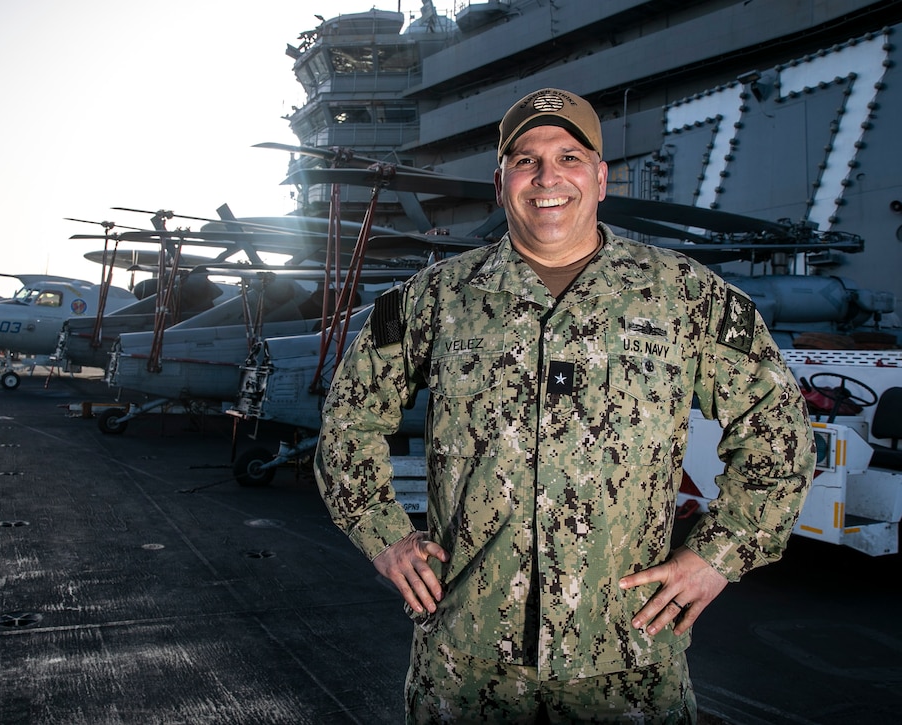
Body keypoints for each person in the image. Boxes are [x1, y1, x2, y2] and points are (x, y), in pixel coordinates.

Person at [314, 88, 814, 723]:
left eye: (570, 157)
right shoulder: (429, 299)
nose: (548, 178)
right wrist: (383, 537)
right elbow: (347, 424)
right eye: (526, 161)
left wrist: (718, 554)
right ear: (502, 184)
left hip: (629, 658)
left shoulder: (688, 296)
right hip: (468, 660)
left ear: (601, 177)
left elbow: (779, 434)